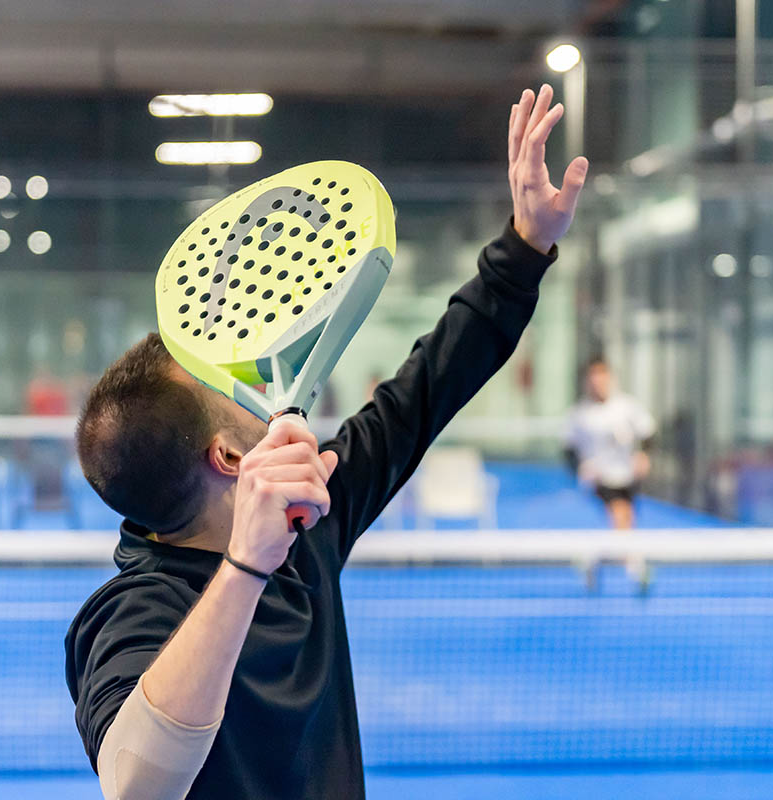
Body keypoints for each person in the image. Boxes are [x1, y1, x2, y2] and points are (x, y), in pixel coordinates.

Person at [65, 85, 588, 800]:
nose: (242, 366)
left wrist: (524, 246)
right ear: (229, 458)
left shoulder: (307, 524)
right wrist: (246, 566)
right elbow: (136, 783)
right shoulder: (130, 613)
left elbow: (424, 392)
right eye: (223, 379)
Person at [564, 356, 656, 591]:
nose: (598, 383)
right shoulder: (580, 414)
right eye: (593, 379)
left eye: (602, 378)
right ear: (587, 382)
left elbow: (648, 433)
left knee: (625, 523)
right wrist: (581, 468)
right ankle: (636, 569)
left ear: (610, 379)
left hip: (627, 476)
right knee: (621, 516)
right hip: (600, 479)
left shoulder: (627, 406)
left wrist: (643, 455)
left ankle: (592, 560)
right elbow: (568, 450)